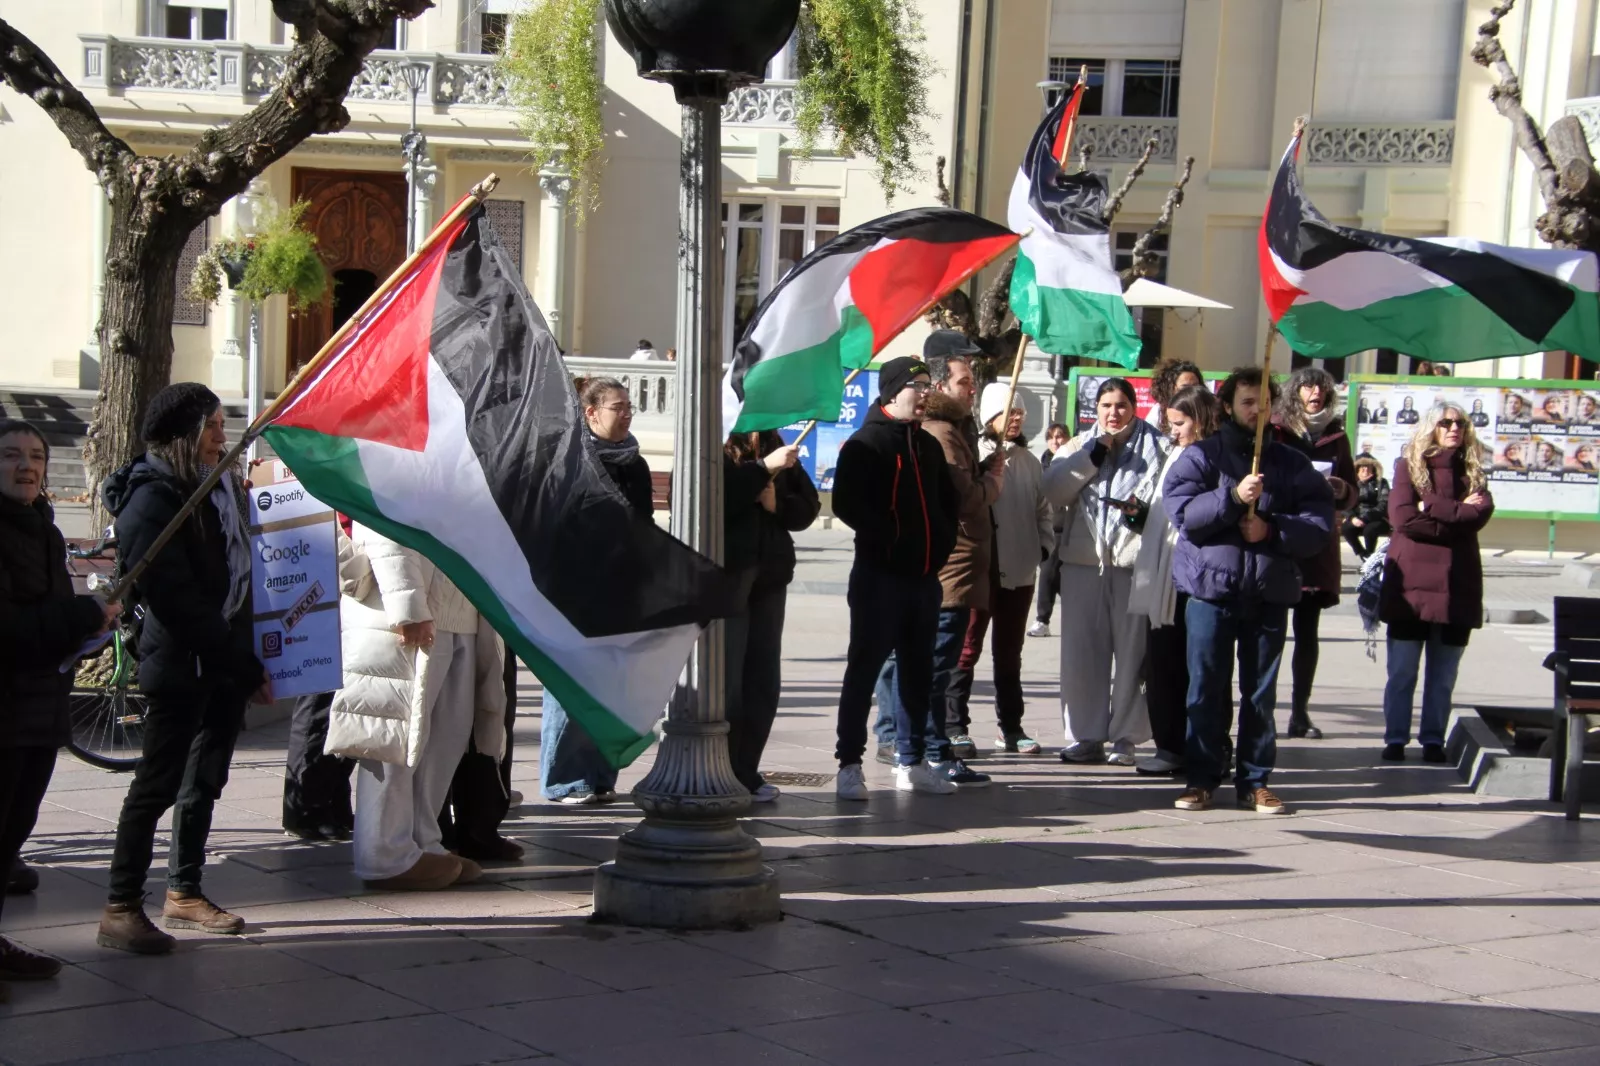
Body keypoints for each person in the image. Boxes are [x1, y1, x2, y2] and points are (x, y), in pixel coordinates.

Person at [98, 385, 266, 954]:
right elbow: (176, 598)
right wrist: (231, 656)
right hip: (180, 664)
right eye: (213, 426)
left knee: (204, 779)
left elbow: (235, 580)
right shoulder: (155, 498)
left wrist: (244, 661)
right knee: (157, 784)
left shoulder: (213, 489)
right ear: (184, 434)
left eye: (223, 425)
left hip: (218, 661)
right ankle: (121, 907)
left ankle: (184, 891)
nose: (223, 437)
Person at [1164, 368, 1334, 814]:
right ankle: (1201, 778)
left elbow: (1318, 523)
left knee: (1260, 694)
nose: (1256, 411)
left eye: (1264, 403)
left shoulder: (1291, 462)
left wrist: (1271, 530)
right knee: (1205, 690)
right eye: (1247, 402)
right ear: (1226, 406)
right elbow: (1184, 515)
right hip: (1210, 592)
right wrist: (1234, 498)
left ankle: (1255, 781)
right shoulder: (1202, 457)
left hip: (1267, 592)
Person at [0, 420, 120, 983]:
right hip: (6, 708)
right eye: (11, 456)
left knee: (13, 831)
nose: (26, 466)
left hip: (40, 707)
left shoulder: (42, 528)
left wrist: (89, 626)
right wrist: (79, 615)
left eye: (36, 456)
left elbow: (46, 618)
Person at [329, 517, 506, 891]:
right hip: (404, 606)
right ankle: (385, 854)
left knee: (446, 738)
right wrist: (406, 605)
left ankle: (424, 841)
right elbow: (383, 516)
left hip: (456, 602)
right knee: (394, 737)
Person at [830, 355, 960, 799]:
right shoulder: (866, 443)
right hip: (878, 577)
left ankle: (912, 759)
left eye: (928, 386)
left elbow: (947, 503)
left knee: (918, 672)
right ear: (891, 392)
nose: (925, 394)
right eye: (916, 386)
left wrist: (938, 545)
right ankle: (849, 763)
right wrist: (891, 536)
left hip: (923, 579)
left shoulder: (926, 445)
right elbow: (848, 504)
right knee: (864, 670)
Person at [540, 378, 653, 803]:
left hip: (622, 591)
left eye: (629, 407)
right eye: (617, 407)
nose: (625, 414)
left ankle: (600, 776)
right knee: (571, 688)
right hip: (575, 590)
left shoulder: (634, 463)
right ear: (590, 413)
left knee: (612, 690)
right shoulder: (570, 459)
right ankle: (564, 780)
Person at [1043, 377, 1166, 766]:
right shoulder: (1079, 445)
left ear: (1134, 407)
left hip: (1133, 565)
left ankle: (1126, 738)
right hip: (1083, 565)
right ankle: (1085, 734)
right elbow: (1053, 491)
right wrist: (1091, 457)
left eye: (1121, 405)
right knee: (1081, 654)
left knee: (1132, 654)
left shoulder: (1158, 447)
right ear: (1095, 409)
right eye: (1106, 405)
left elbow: (1163, 504)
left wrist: (1139, 515)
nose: (1113, 413)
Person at [900, 333, 1000, 780]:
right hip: (950, 574)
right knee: (936, 668)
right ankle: (930, 752)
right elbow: (966, 499)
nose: (971, 387)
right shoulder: (942, 433)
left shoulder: (956, 429)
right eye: (963, 381)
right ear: (940, 387)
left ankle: (929, 749)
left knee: (937, 665)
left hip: (959, 572)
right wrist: (992, 481)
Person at [1380, 403, 1493, 763]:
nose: (1454, 428)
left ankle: (1433, 740)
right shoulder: (1408, 466)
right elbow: (1402, 519)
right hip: (1410, 585)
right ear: (1431, 427)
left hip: (1457, 584)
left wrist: (1432, 507)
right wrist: (1456, 515)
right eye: (1446, 422)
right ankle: (1395, 738)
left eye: (1460, 423)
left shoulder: (1473, 471)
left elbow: (1480, 514)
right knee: (1402, 672)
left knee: (1443, 675)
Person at [946, 385, 1052, 754]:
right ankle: (954, 725)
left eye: (1019, 412)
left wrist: (1042, 547)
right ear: (989, 417)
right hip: (983, 570)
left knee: (1009, 653)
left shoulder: (1030, 461)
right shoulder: (977, 456)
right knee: (967, 648)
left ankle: (1012, 727)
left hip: (1020, 572)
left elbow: (1043, 510)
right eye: (1007, 412)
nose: (1015, 418)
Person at [722, 430, 819, 802]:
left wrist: (777, 503)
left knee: (763, 680)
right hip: (728, 577)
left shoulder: (780, 447)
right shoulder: (715, 439)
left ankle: (746, 769)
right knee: (727, 682)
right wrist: (761, 470)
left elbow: (807, 509)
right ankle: (721, 767)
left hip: (770, 576)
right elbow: (714, 497)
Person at [1128, 387, 1220, 776]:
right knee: (1162, 663)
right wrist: (1139, 516)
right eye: (1169, 422)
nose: (1172, 430)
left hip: (1189, 575)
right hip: (1162, 571)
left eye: (1180, 423)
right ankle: (1170, 743)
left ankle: (1190, 746)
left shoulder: (1212, 458)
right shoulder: (1174, 455)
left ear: (1199, 420)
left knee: (1190, 667)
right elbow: (1163, 511)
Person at [1273, 368, 1357, 741]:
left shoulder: (1337, 434)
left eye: (1321, 389)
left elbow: (1353, 489)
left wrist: (1340, 490)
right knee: (1270, 632)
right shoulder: (1277, 429)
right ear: (1295, 393)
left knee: (1308, 633)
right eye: (1307, 387)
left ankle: (1300, 713)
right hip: (1279, 537)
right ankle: (1260, 711)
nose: (1315, 394)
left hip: (1318, 541)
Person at [1029, 422, 1071, 638]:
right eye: (1052, 437)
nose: (1056, 441)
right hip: (1048, 529)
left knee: (1058, 577)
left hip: (1068, 528)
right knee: (1048, 574)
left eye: (1061, 436)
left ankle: (1047, 619)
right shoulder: (1040, 466)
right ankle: (1043, 619)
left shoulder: (1073, 464)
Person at [1343, 456, 1391, 559]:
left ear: (1373, 469)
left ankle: (1370, 555)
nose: (1365, 470)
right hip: (1357, 517)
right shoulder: (1352, 483)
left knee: (1369, 530)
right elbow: (1346, 503)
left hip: (1377, 518)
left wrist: (1366, 517)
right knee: (1346, 528)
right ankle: (1362, 554)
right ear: (1357, 469)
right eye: (1362, 467)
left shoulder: (1381, 482)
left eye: (1368, 467)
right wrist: (1352, 517)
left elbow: (1384, 503)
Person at [1146, 359, 1203, 433]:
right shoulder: (1157, 413)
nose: (1192, 392)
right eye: (1185, 388)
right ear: (1170, 388)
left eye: (1196, 387)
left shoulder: (1207, 410)